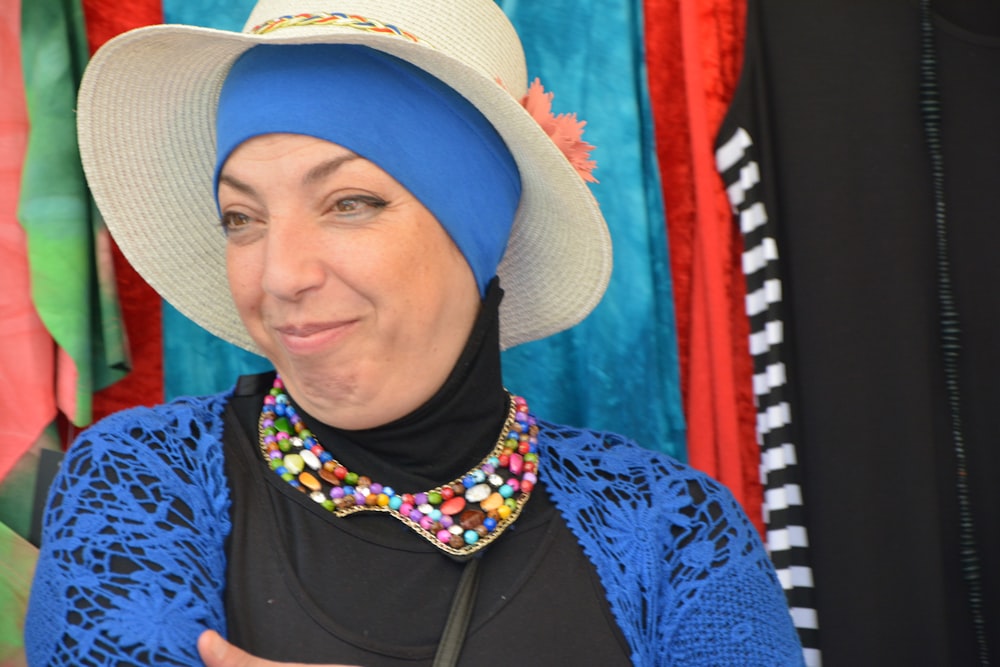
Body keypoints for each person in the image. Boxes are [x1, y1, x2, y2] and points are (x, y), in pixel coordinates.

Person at [24, 1, 804, 665]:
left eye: (350, 202)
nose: (279, 274)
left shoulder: (674, 530)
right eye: (241, 217)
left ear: (479, 230)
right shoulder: (141, 482)